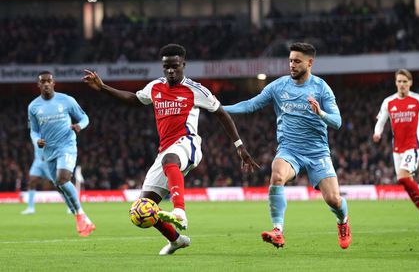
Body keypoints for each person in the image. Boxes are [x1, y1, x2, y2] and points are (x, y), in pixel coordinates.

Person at [82, 44, 259, 255]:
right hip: (164, 151)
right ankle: (176, 240)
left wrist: (239, 146)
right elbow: (135, 100)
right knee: (141, 210)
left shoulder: (196, 90)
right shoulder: (155, 87)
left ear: (183, 65)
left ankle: (180, 211)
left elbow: (221, 114)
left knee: (170, 160)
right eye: (166, 67)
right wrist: (103, 87)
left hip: (188, 143)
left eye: (175, 66)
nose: (170, 71)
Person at [224, 42, 351, 250]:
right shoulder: (278, 86)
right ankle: (278, 230)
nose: (292, 65)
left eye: (297, 61)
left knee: (334, 200)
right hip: (289, 150)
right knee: (277, 173)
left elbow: (337, 122)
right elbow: (250, 104)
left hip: (317, 152)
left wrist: (321, 114)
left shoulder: (321, 88)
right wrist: (218, 108)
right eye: (290, 60)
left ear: (310, 63)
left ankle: (343, 221)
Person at [373, 69, 419, 227]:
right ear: (395, 83)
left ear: (410, 83)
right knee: (406, 183)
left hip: (413, 145)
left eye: (405, 82)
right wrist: (377, 133)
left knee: (402, 177)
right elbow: (381, 120)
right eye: (399, 81)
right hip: (397, 148)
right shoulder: (388, 102)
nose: (402, 85)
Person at [28, 71, 95, 236]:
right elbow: (34, 131)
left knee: (63, 178)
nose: (45, 84)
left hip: (67, 145)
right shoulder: (33, 106)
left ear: (53, 83)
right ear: (38, 85)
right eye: (42, 82)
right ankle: (83, 217)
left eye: (48, 81)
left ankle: (79, 214)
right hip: (48, 151)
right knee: (60, 185)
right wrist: (37, 140)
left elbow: (84, 118)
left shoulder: (66, 100)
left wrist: (80, 126)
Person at [20, 138, 52, 214]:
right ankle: (31, 208)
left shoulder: (49, 130)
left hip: (49, 161)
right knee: (32, 181)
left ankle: (70, 205)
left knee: (58, 184)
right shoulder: (34, 132)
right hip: (38, 161)